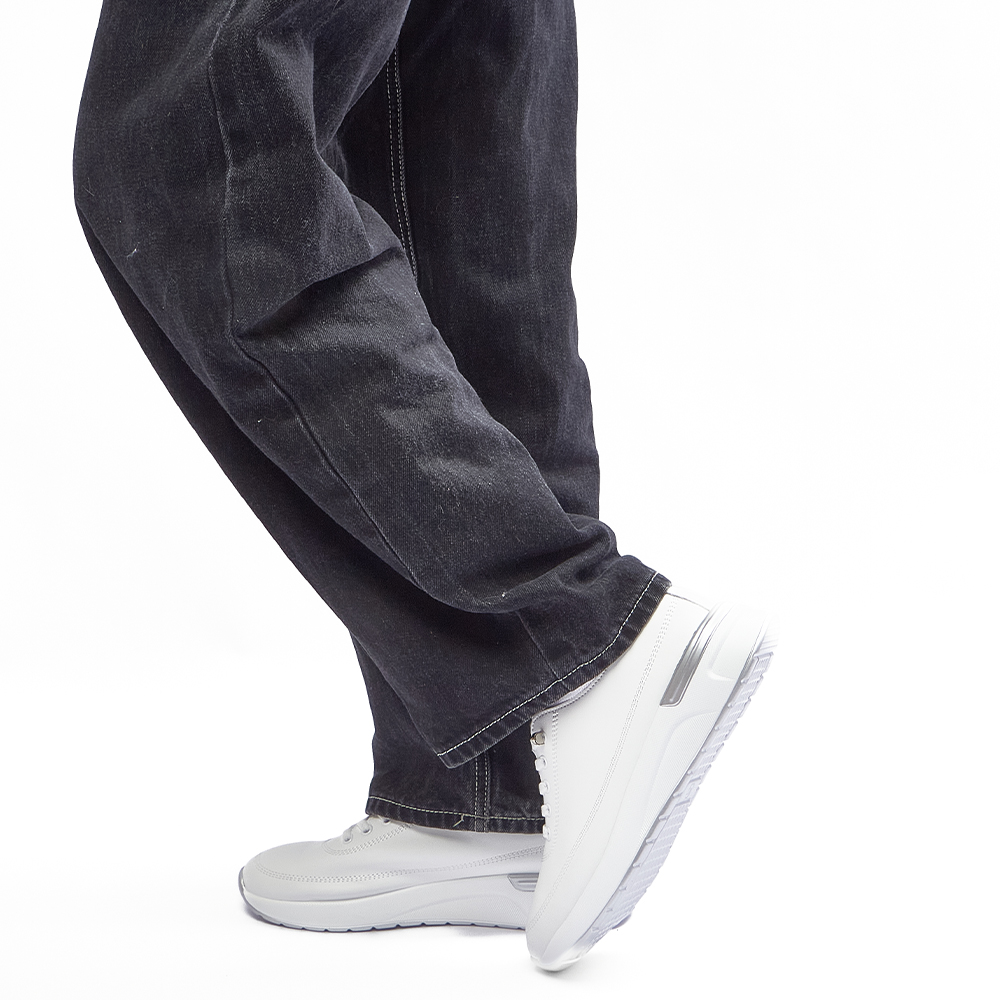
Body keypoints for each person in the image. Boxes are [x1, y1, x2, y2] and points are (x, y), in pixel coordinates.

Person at [74, 0, 775, 972]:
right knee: (448, 164)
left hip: (568, 633)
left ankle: (577, 643)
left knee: (191, 142)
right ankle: (486, 797)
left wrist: (561, 628)